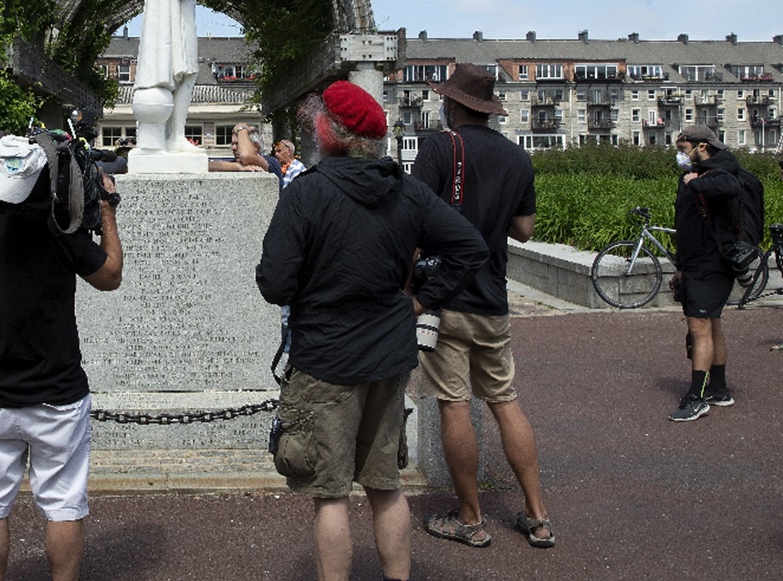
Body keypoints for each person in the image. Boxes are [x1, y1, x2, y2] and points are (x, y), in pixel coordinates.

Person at [257, 80, 488, 581]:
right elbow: (471, 248)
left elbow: (274, 283)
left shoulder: (309, 192)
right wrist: (421, 299)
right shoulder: (407, 191)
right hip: (388, 355)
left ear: (328, 132)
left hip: (324, 359)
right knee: (386, 485)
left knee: (330, 492)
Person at [0, 129, 123, 581]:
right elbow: (111, 275)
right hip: (58, 393)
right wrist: (107, 213)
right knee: (62, 505)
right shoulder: (58, 230)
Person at [410, 63, 554, 549]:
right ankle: (537, 515)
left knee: (454, 404)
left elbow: (412, 223)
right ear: (487, 109)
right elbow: (525, 229)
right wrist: (488, 216)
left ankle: (470, 518)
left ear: (452, 105)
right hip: (493, 297)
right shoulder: (517, 156)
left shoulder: (438, 147)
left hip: (445, 297)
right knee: (505, 400)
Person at [668, 125, 742, 421]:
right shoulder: (704, 172)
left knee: (699, 328)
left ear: (701, 146)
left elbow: (729, 187)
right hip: (700, 262)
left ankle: (696, 397)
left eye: (683, 149)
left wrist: (694, 182)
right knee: (711, 324)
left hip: (710, 263)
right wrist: (681, 268)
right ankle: (720, 388)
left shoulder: (719, 171)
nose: (680, 156)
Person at [131, 0, 207, 154]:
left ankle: (176, 136)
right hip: (172, 9)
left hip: (178, 5)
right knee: (183, 69)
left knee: (188, 70)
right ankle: (174, 136)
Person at [208, 123, 283, 181]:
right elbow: (208, 165)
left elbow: (246, 156)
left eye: (238, 144)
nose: (233, 148)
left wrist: (242, 129)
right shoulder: (237, 163)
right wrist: (238, 167)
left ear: (255, 146)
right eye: (232, 144)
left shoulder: (271, 162)